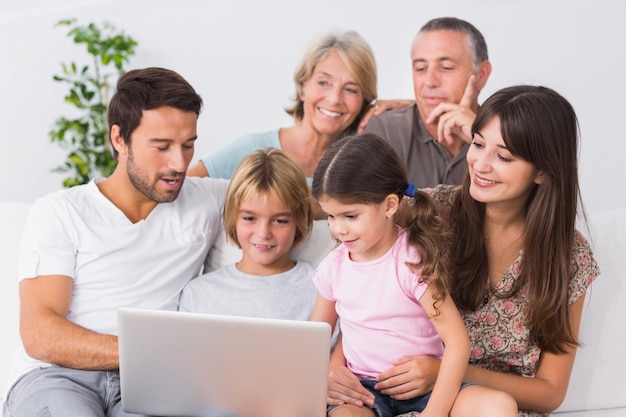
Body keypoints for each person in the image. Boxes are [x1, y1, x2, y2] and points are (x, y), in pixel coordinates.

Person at [325, 86, 601, 417]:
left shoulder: (570, 256)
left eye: (503, 156)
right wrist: (334, 366)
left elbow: (550, 392)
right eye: (478, 144)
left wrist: (443, 371)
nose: (480, 165)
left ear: (542, 170)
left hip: (489, 405)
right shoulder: (428, 212)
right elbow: (360, 284)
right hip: (392, 393)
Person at [3, 67, 229, 417]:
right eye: (162, 147)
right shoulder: (61, 212)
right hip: (58, 377)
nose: (179, 163)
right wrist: (148, 351)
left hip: (152, 382)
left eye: (188, 145)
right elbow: (40, 334)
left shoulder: (208, 200)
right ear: (119, 139)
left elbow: (306, 199)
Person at [310, 134, 517, 417]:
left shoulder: (412, 261)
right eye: (330, 217)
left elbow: (457, 341)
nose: (339, 230)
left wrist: (435, 412)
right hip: (362, 392)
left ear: (390, 205)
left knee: (499, 406)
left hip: (427, 389)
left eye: (350, 216)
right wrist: (327, 375)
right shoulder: (334, 267)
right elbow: (313, 341)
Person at [186, 29, 377, 184]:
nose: (335, 98)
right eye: (323, 83)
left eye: (351, 90)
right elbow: (185, 190)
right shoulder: (252, 150)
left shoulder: (366, 160)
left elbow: (405, 200)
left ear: (364, 100)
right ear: (303, 88)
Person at [179, 147, 316, 321]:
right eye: (250, 218)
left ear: (299, 221)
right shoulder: (198, 294)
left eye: (280, 221)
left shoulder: (322, 288)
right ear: (233, 217)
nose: (263, 233)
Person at [363, 17, 492, 189]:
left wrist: (481, 139)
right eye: (421, 68)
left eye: (446, 67)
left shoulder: (509, 134)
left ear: (481, 74)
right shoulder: (387, 130)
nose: (430, 81)